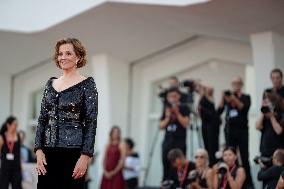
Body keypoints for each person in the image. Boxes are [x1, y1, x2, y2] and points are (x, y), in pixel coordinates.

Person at [34, 38, 98, 189]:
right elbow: (42, 119)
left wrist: (85, 156)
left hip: (73, 155)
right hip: (47, 155)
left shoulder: (87, 85)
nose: (63, 57)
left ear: (78, 57)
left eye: (68, 53)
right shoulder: (50, 84)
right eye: (60, 54)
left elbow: (91, 122)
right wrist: (38, 150)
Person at [217, 77, 254, 188]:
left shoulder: (246, 97)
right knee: (229, 156)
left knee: (244, 157)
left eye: (238, 83)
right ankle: (229, 181)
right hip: (230, 130)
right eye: (233, 83)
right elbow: (218, 111)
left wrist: (233, 98)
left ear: (241, 84)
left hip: (242, 131)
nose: (235, 85)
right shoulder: (227, 98)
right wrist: (223, 98)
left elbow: (243, 108)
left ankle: (248, 184)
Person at [159, 87, 190, 181]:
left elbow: (186, 124)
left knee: (179, 166)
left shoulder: (184, 107)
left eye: (174, 96)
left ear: (179, 96)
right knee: (166, 165)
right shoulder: (166, 108)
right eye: (170, 96)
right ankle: (165, 183)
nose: (172, 98)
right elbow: (161, 126)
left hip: (179, 142)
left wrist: (177, 113)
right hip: (168, 141)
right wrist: (168, 117)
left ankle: (179, 184)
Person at [256, 91, 284, 158]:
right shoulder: (264, 116)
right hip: (265, 151)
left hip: (278, 152)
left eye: (269, 102)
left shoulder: (281, 115)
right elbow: (258, 127)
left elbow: (279, 131)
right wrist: (263, 111)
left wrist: (271, 116)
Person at [198, 85, 221, 166]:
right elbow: (200, 111)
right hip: (206, 126)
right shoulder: (203, 100)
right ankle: (210, 164)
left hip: (214, 126)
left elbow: (217, 111)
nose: (211, 90)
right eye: (208, 89)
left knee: (214, 147)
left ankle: (214, 164)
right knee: (208, 147)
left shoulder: (213, 99)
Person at [0, 116, 22, 189]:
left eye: (17, 125)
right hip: (5, 167)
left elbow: (19, 153)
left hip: (16, 167)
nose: (16, 127)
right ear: (8, 125)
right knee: (3, 186)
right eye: (14, 124)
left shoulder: (19, 136)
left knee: (17, 186)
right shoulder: (2, 137)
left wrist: (21, 165)